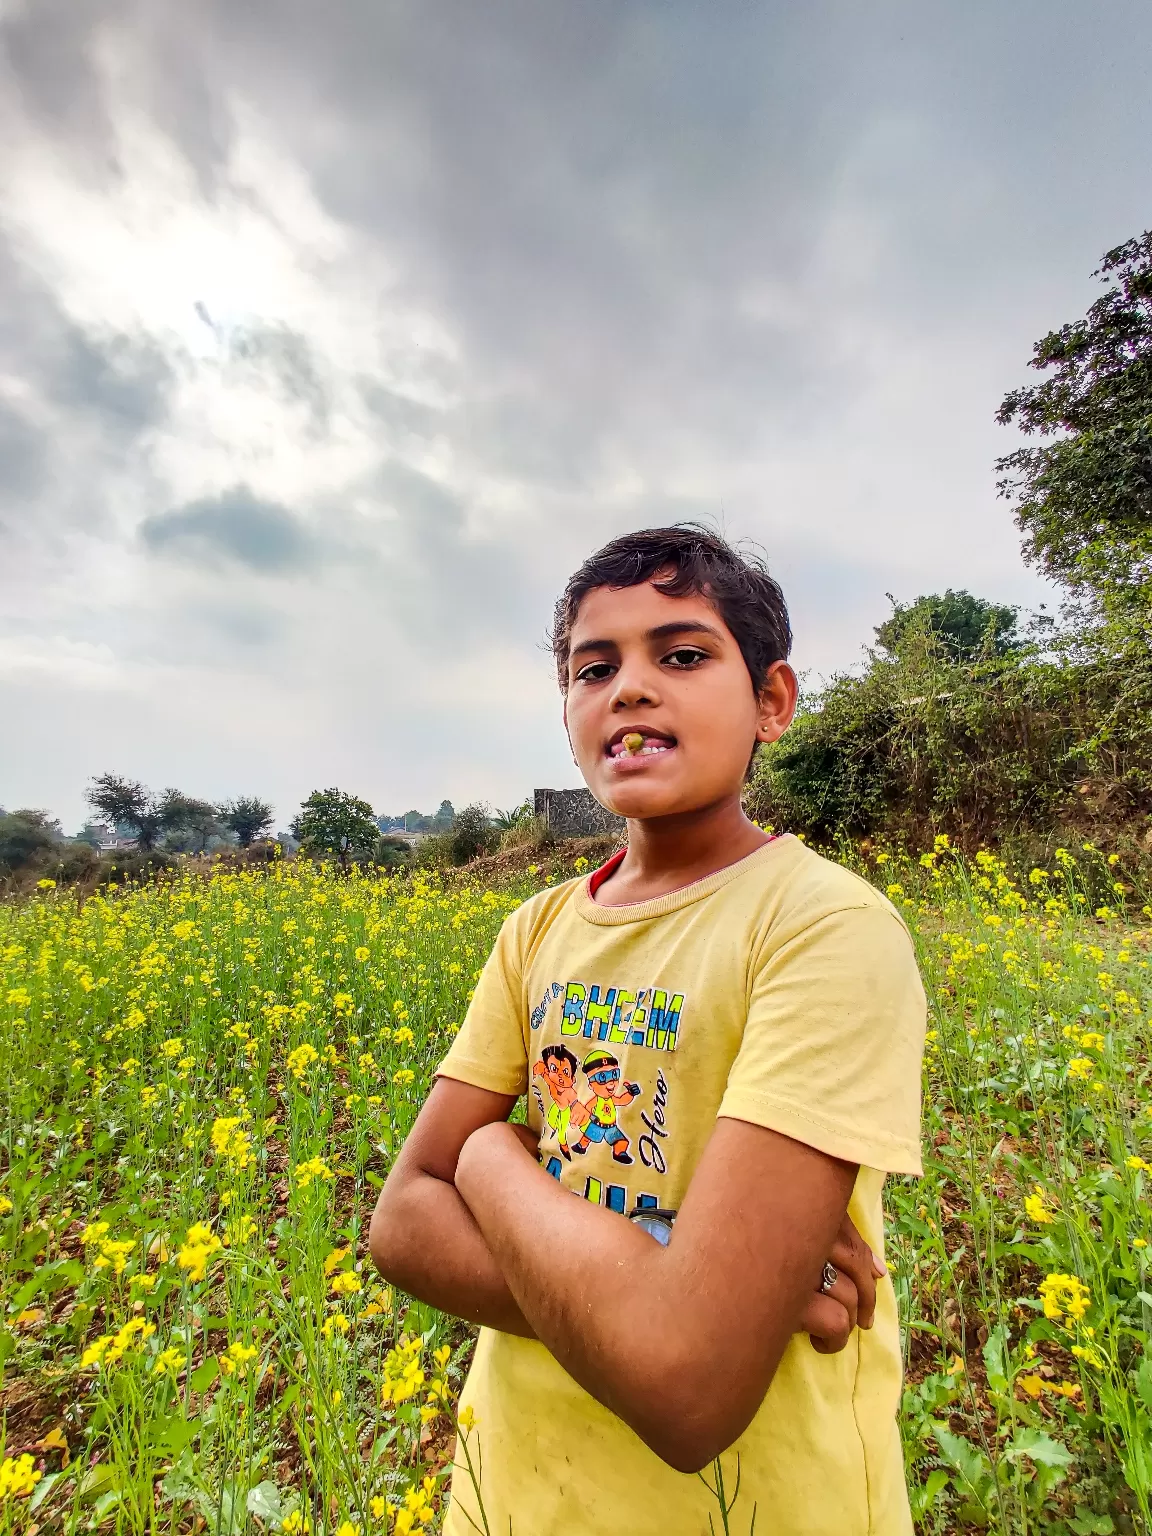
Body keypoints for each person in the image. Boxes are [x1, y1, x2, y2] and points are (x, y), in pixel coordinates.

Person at [369, 526, 925, 1535]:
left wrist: (491, 1161)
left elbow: (688, 1388)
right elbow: (402, 1223)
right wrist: (661, 1299)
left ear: (772, 701)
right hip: (515, 1497)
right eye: (594, 668)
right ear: (570, 713)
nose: (629, 688)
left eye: (681, 655)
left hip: (761, 1507)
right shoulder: (535, 928)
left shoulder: (823, 927)